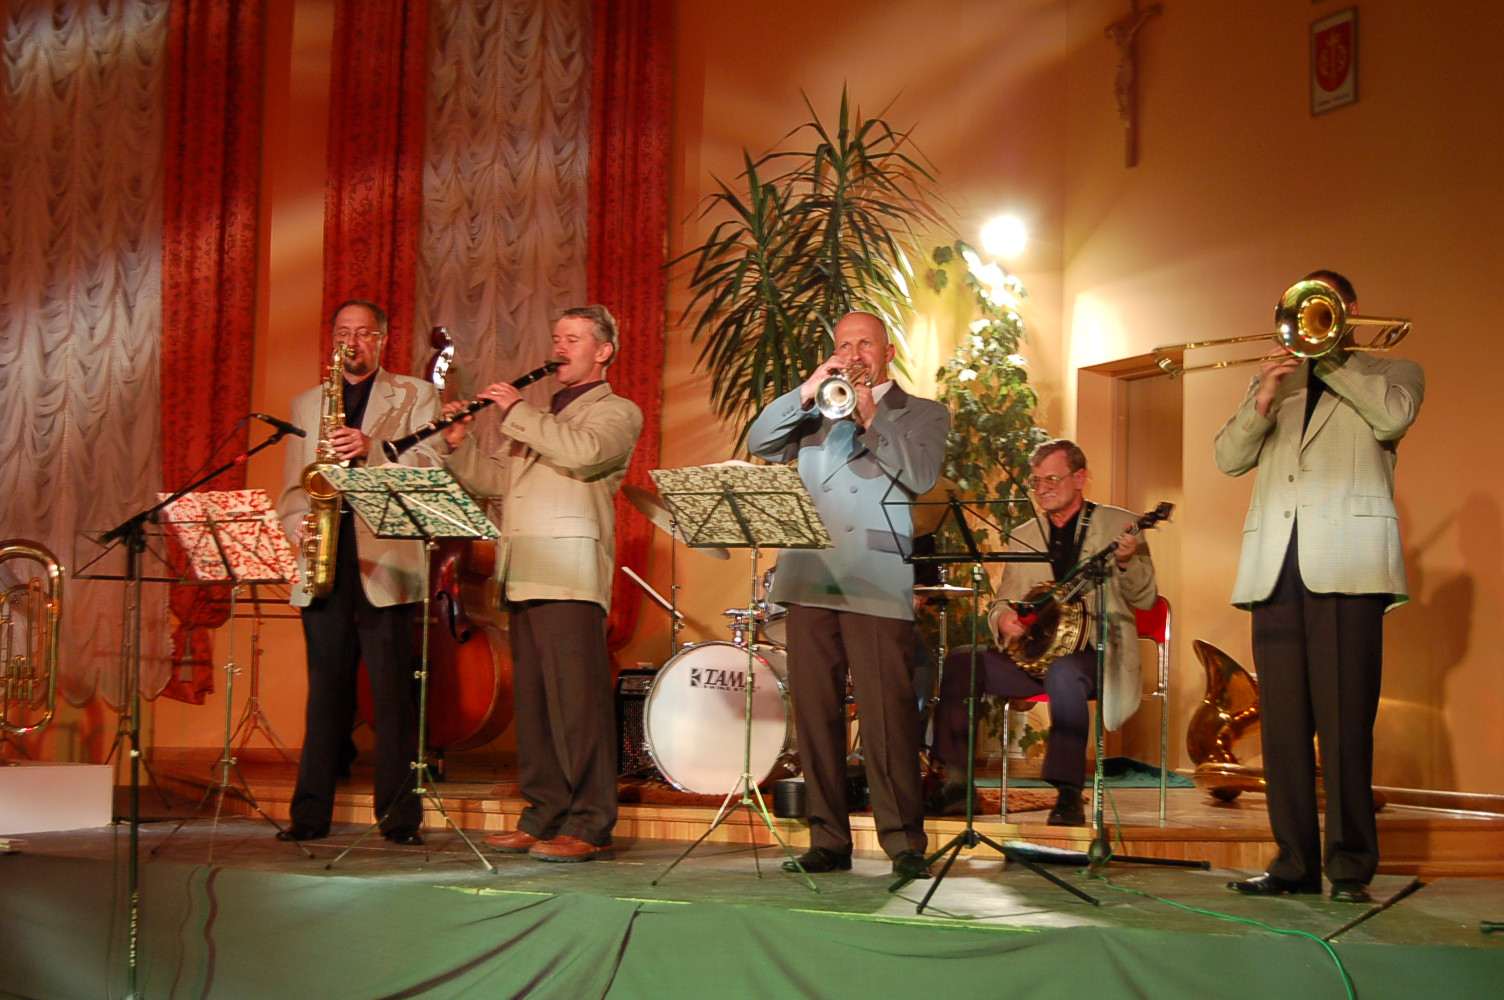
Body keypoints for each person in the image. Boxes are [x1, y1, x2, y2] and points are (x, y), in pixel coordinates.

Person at [1216, 270, 1423, 904]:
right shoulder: (1276, 382)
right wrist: (1261, 397)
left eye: (1323, 310)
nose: (1311, 323)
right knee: (1282, 730)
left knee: (1344, 726)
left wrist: (1329, 358)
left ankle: (1351, 866)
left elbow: (1392, 419)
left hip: (1348, 565)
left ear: (1347, 312)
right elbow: (1228, 457)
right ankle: (1293, 864)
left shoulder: (1392, 371)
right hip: (1275, 567)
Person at [747, 311, 949, 880]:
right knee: (816, 714)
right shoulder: (813, 411)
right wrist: (807, 390)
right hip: (810, 573)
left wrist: (870, 414)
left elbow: (921, 475)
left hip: (874, 574)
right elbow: (760, 441)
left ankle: (903, 841)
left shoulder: (922, 412)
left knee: (887, 715)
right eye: (843, 345)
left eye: (865, 344)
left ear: (888, 352)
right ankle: (828, 839)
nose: (854, 354)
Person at [441, 305, 642, 863]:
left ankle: (591, 823)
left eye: (573, 339)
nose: (559, 348)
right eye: (556, 337)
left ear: (603, 351)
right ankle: (543, 814)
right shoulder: (544, 415)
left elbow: (584, 454)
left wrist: (515, 410)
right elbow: (496, 481)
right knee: (534, 709)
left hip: (569, 573)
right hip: (523, 568)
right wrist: (459, 445)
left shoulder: (616, 411)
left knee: (578, 707)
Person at [275, 299, 443, 845]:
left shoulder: (417, 395)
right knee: (324, 694)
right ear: (333, 341)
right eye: (343, 332)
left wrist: (372, 451)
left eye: (364, 332)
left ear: (382, 339)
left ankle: (399, 819)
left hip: (386, 559)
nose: (352, 341)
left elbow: (432, 466)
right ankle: (309, 816)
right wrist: (297, 526)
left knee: (393, 697)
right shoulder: (307, 404)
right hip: (324, 555)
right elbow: (292, 490)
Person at [927, 440, 1158, 825]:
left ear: (1080, 478)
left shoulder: (1120, 525)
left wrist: (1126, 561)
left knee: (1064, 672)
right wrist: (1003, 619)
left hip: (1093, 655)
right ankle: (954, 783)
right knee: (963, 661)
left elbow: (1145, 598)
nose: (1043, 489)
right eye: (1036, 481)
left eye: (1052, 479)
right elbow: (1003, 602)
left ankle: (1068, 794)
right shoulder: (1025, 534)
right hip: (1033, 656)